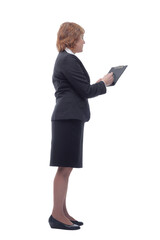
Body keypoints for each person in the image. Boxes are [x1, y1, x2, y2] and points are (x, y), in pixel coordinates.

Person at [48, 22, 114, 230]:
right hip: (67, 119)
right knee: (64, 168)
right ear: (72, 39)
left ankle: (62, 212)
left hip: (70, 118)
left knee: (66, 168)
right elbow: (85, 91)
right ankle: (57, 215)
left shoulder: (66, 59)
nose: (84, 41)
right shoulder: (68, 60)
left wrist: (98, 84)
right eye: (81, 37)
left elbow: (79, 89)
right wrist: (104, 83)